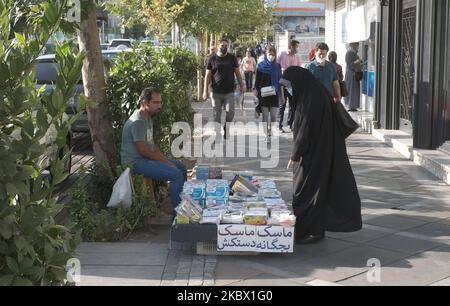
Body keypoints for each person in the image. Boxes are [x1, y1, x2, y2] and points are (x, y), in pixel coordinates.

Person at [282, 67, 362, 244]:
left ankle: (304, 231)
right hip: (323, 149)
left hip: (312, 153)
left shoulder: (309, 99)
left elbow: (305, 129)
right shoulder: (317, 91)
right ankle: (316, 229)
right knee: (317, 189)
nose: (288, 89)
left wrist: (296, 154)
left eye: (289, 85)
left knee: (303, 190)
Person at [121, 88, 188, 212]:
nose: (159, 106)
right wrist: (168, 164)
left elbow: (152, 146)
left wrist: (166, 161)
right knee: (176, 174)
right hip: (134, 162)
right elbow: (144, 151)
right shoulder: (138, 122)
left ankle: (186, 205)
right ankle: (179, 215)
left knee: (181, 167)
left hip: (144, 159)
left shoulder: (147, 118)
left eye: (160, 102)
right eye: (156, 103)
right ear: (144, 102)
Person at [203, 39, 245, 139]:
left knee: (231, 112)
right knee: (216, 115)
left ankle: (226, 127)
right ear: (218, 46)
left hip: (229, 91)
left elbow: (237, 72)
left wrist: (241, 84)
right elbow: (207, 76)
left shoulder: (232, 58)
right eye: (222, 45)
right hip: (215, 92)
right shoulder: (212, 59)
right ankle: (217, 133)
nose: (224, 47)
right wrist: (205, 91)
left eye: (226, 46)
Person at [254, 46, 283, 143]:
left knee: (274, 116)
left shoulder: (277, 66)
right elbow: (257, 82)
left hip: (274, 94)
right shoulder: (260, 66)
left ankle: (270, 131)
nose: (271, 56)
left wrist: (282, 96)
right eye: (269, 54)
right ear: (266, 54)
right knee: (265, 116)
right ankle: (266, 134)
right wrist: (256, 93)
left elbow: (280, 81)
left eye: (273, 55)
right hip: (264, 94)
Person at [277, 39, 301, 133]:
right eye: (296, 47)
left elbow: (299, 69)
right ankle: (279, 125)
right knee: (282, 104)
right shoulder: (282, 54)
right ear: (291, 46)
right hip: (283, 83)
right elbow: (276, 66)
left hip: (292, 84)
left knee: (292, 104)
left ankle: (290, 124)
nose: (297, 49)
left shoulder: (297, 57)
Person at [345, 42, 362, 112]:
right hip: (351, 74)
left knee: (354, 89)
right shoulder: (349, 53)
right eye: (356, 44)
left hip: (353, 73)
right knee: (352, 89)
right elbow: (349, 64)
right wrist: (357, 61)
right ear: (352, 45)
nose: (357, 46)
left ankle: (353, 105)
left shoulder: (353, 53)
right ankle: (351, 105)